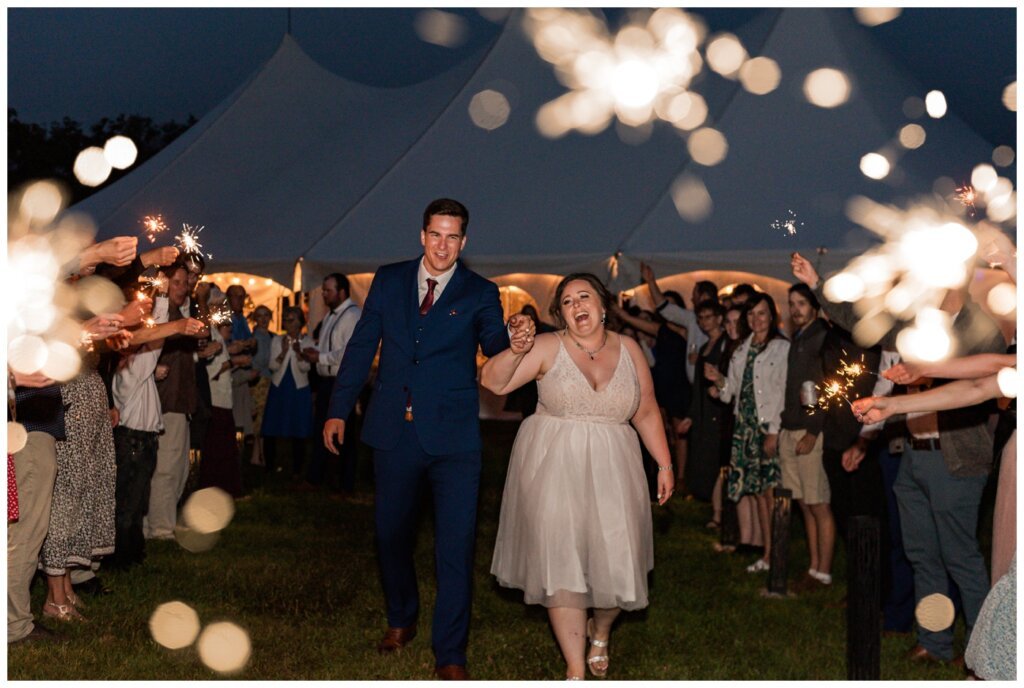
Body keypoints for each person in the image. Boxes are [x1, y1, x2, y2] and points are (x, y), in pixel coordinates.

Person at [322, 198, 532, 680]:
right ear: (422, 235)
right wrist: (338, 410)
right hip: (394, 431)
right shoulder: (389, 279)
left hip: (454, 439)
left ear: (464, 241)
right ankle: (401, 616)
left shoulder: (480, 292)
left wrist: (517, 338)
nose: (443, 245)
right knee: (390, 536)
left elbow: (495, 349)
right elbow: (360, 347)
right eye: (435, 235)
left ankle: (451, 651)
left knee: (455, 547)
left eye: (452, 237)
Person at [793, 250, 1006, 664]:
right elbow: (861, 324)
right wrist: (817, 284)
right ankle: (935, 640)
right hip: (912, 454)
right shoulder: (915, 323)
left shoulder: (979, 327)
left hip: (956, 458)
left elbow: (982, 384)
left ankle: (982, 648)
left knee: (959, 556)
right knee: (922, 554)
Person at [482, 273, 674, 680]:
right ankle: (575, 669)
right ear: (561, 314)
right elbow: (492, 381)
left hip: (615, 467)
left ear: (603, 306)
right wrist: (517, 350)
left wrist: (664, 463)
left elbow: (647, 409)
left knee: (619, 563)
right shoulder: (548, 346)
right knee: (562, 564)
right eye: (566, 302)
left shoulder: (631, 350)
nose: (576, 306)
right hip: (554, 467)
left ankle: (600, 631)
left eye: (584, 297)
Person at [704, 293, 789, 573]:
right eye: (751, 315)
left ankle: (775, 554)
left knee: (770, 493)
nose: (756, 319)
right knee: (756, 492)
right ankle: (766, 553)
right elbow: (733, 393)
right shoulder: (742, 349)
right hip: (746, 428)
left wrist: (774, 431)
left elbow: (784, 394)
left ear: (772, 315)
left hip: (767, 427)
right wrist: (719, 380)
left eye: (762, 313)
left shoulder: (781, 349)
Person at [778, 283, 835, 591]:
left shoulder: (821, 337)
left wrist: (814, 431)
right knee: (803, 502)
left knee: (818, 502)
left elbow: (828, 386)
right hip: (790, 427)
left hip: (809, 430)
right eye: (792, 303)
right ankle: (813, 567)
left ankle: (824, 571)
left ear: (814, 306)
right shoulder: (798, 338)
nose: (795, 309)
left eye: (801, 303)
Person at [303, 273, 361, 493]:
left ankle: (345, 485)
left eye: (328, 290)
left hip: (341, 382)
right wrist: (313, 351)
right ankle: (318, 478)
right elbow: (327, 347)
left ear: (342, 291)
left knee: (343, 435)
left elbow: (347, 353)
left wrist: (320, 357)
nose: (324, 295)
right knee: (322, 431)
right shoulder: (330, 316)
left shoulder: (352, 315)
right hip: (326, 382)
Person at [678, 300, 730, 510]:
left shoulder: (726, 344)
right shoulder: (704, 346)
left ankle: (715, 500)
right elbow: (698, 384)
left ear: (719, 318)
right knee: (700, 449)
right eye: (701, 318)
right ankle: (704, 495)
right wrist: (691, 414)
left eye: (708, 317)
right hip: (702, 407)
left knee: (713, 452)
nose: (704, 322)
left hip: (718, 406)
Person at [262, 307, 315, 478]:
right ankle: (270, 467)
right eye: (285, 319)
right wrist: (284, 352)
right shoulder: (277, 340)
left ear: (300, 322)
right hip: (279, 386)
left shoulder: (308, 342)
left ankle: (297, 470)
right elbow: (272, 366)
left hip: (299, 388)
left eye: (290, 320)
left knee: (298, 429)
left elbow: (305, 368)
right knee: (271, 427)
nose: (286, 323)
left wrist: (300, 354)